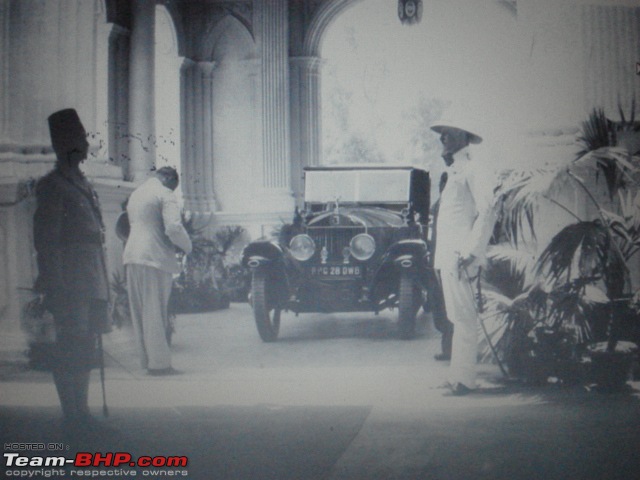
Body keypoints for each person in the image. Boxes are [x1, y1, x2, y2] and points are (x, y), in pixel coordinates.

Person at [33, 108, 111, 432]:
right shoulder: (52, 185)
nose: (85, 141)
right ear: (63, 143)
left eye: (83, 136)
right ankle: (72, 415)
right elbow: (46, 241)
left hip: (91, 273)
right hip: (70, 278)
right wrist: (55, 284)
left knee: (87, 343)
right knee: (71, 345)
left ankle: (83, 413)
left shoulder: (81, 181)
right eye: (78, 137)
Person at [430, 118, 497, 395]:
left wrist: (471, 251)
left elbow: (489, 209)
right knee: (456, 316)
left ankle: (465, 378)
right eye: (442, 133)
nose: (442, 137)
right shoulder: (456, 169)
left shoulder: (474, 168)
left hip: (461, 256)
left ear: (462, 135)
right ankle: (457, 374)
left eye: (447, 132)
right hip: (448, 257)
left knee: (465, 317)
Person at [123, 166, 192, 375]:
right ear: (169, 178)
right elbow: (173, 227)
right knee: (155, 310)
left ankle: (148, 360)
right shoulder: (165, 194)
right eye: (174, 185)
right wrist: (189, 247)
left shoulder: (136, 193)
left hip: (131, 254)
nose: (173, 188)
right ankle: (159, 364)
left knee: (140, 311)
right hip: (154, 256)